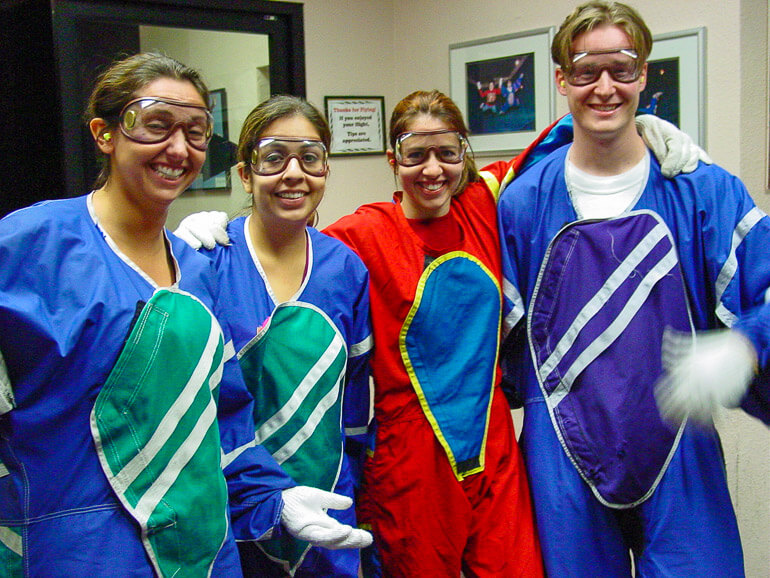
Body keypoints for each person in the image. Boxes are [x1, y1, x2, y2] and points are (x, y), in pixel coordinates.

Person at [176, 97, 708, 578]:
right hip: (408, 463)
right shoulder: (359, 235)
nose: (433, 169)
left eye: (446, 153)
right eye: (415, 154)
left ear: (463, 155)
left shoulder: (481, 204)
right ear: (393, 160)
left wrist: (639, 124)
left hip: (492, 447)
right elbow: (289, 230)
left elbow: (558, 134)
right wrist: (214, 230)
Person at [0, 52, 369, 576]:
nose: (178, 148)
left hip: (203, 555)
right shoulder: (34, 248)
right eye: (156, 125)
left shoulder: (196, 275)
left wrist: (274, 499)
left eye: (196, 131)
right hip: (78, 555)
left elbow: (223, 422)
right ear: (104, 133)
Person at [497, 2, 770, 575]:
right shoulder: (521, 204)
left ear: (644, 74)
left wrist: (748, 343)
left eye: (621, 69)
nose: (604, 88)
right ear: (561, 79)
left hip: (680, 444)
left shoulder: (701, 192)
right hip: (559, 453)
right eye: (586, 70)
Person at [179, 96, 372, 577]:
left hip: (327, 498)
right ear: (245, 174)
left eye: (310, 157)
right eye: (274, 158)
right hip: (230, 508)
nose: (294, 173)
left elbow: (355, 401)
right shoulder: (208, 264)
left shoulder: (345, 269)